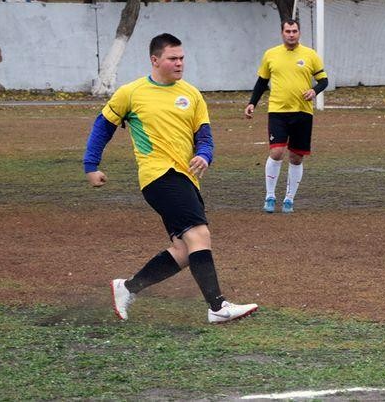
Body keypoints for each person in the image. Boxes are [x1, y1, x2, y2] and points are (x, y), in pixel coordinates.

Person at [83, 33, 257, 323]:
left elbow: (205, 137)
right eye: (172, 58)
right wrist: (91, 165)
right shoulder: (132, 92)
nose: (179, 63)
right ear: (155, 60)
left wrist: (204, 155)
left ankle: (127, 288)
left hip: (186, 177)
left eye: (182, 58)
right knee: (200, 235)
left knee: (185, 249)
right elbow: (103, 126)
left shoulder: (191, 94)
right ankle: (217, 306)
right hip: (158, 175)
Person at [244, 19, 329, 214]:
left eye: (295, 31)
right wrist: (252, 103)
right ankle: (270, 196)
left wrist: (314, 91)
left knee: (296, 157)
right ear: (282, 33)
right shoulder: (271, 55)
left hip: (303, 112)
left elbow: (324, 81)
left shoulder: (310, 55)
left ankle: (289, 199)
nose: (291, 34)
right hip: (278, 111)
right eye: (288, 31)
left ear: (299, 33)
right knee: (276, 152)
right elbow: (261, 81)